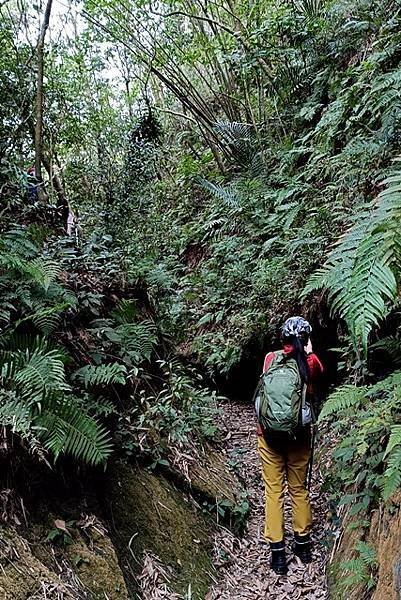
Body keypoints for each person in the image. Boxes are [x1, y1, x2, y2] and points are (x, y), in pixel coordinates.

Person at [257, 316, 324, 575]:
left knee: (273, 491)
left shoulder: (269, 359)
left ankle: (277, 556)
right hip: (299, 437)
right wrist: (309, 350)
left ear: (282, 338)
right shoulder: (311, 363)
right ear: (306, 340)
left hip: (268, 435)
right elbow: (316, 373)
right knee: (298, 489)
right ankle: (303, 547)